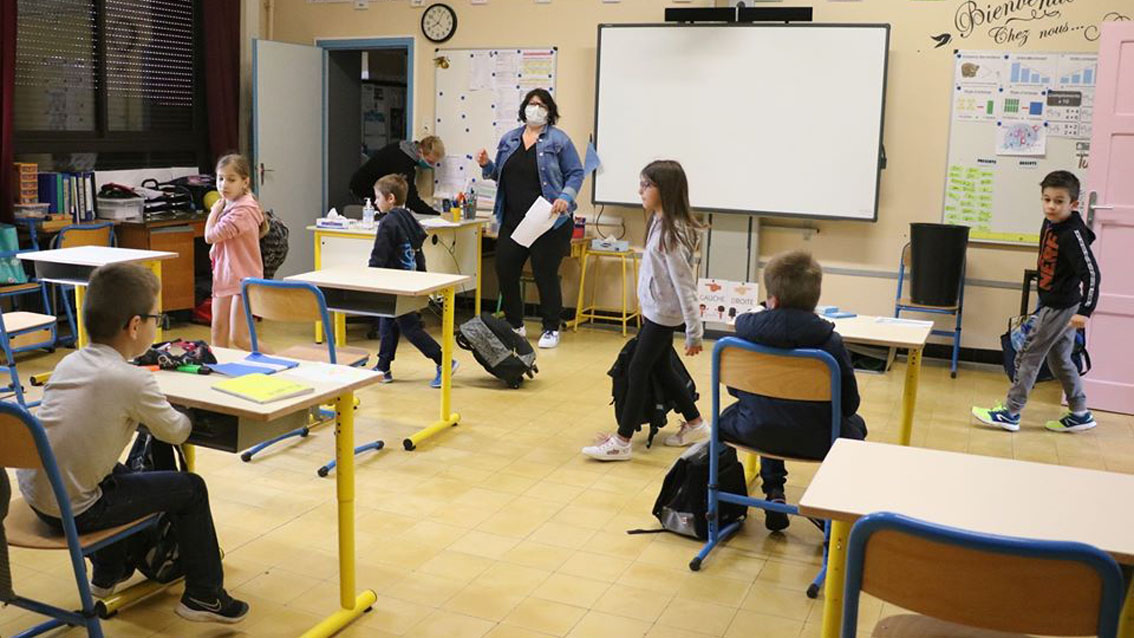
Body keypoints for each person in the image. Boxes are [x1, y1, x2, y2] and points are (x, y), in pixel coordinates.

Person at [15, 263, 248, 623]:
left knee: (116, 473)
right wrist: (184, 412)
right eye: (156, 318)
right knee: (191, 488)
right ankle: (205, 596)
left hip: (40, 495)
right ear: (135, 325)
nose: (159, 325)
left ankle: (107, 575)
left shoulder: (70, 362)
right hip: (75, 510)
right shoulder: (131, 380)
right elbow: (176, 432)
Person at [721, 250, 867, 531]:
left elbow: (736, 392)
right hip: (817, 438)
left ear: (771, 300)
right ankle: (827, 507)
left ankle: (773, 492)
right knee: (856, 427)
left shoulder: (742, 336)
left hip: (752, 430)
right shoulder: (830, 343)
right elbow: (849, 405)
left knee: (764, 409)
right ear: (814, 300)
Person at [582, 160, 705, 461]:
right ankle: (696, 424)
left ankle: (622, 441)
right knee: (661, 368)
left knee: (638, 369)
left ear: (665, 190)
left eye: (647, 185)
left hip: (664, 315)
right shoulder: (658, 222)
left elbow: (685, 286)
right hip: (656, 311)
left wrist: (694, 331)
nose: (640, 190)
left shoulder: (671, 234)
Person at [973, 170, 1100, 433]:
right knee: (1059, 358)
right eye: (1047, 199)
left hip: (1061, 306)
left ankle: (1011, 412)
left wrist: (1085, 311)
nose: (1051, 206)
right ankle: (1080, 412)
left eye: (1059, 201)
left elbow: (1092, 274)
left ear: (1073, 204)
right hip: (1050, 300)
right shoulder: (1050, 223)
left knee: (1028, 353)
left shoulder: (1072, 233)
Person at [476, 88, 584, 349]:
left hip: (549, 221)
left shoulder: (558, 140)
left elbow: (576, 173)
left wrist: (565, 198)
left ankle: (550, 327)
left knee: (544, 274)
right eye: (531, 104)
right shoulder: (509, 139)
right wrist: (486, 165)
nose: (535, 108)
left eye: (541, 105)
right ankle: (515, 324)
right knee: (505, 269)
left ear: (549, 111)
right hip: (513, 220)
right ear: (524, 108)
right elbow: (498, 175)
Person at [368, 174, 459, 387]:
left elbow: (379, 255)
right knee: (387, 324)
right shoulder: (408, 218)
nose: (374, 202)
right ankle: (383, 367)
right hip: (409, 281)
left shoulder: (388, 223)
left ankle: (443, 360)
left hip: (395, 282)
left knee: (410, 327)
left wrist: (371, 278)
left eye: (377, 197)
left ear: (390, 199)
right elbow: (418, 252)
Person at [205, 153, 265, 350]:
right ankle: (219, 372)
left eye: (231, 180)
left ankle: (281, 364)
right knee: (217, 331)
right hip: (225, 275)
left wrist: (214, 211)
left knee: (240, 338)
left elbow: (210, 236)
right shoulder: (230, 205)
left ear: (245, 182)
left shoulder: (243, 210)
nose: (224, 185)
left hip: (243, 277)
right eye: (220, 178)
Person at [349, 136, 446, 216]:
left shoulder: (404, 147)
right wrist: (436, 215)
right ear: (420, 151)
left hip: (375, 189)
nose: (430, 166)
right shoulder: (403, 162)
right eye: (429, 162)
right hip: (363, 189)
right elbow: (410, 198)